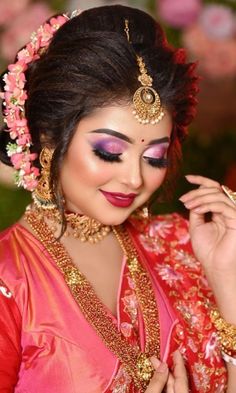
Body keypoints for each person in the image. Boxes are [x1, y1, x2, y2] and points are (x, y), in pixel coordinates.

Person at [0, 5, 236, 393]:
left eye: (154, 157)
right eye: (109, 152)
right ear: (47, 137)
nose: (133, 178)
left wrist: (228, 282)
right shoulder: (10, 281)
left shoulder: (179, 244)